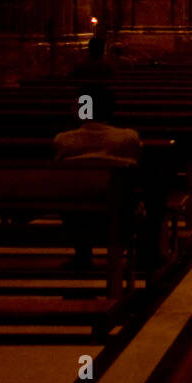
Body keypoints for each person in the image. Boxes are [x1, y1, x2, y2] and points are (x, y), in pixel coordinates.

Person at [54, 86, 141, 268]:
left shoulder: (64, 140)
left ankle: (82, 253)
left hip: (75, 213)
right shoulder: (127, 137)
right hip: (118, 207)